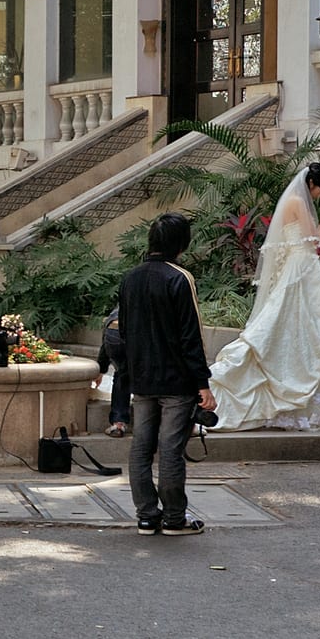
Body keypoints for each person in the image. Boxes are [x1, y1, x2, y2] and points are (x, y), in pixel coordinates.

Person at [209, 161, 320, 431]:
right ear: (311, 184)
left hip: (304, 268)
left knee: (311, 329)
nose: (319, 195)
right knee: (299, 327)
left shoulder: (298, 200)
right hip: (302, 270)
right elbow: (313, 239)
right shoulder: (298, 201)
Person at [119, 212, 215, 536]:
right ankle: (175, 518)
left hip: (142, 378)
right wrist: (203, 383)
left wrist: (129, 374)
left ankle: (146, 515)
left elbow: (125, 333)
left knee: (141, 447)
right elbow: (191, 336)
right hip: (176, 380)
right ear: (181, 243)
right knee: (171, 450)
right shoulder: (180, 278)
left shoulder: (130, 278)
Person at [93, 306, 130, 437]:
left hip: (113, 330)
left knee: (122, 374)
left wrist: (101, 369)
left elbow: (105, 343)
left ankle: (118, 423)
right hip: (139, 329)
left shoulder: (127, 293)